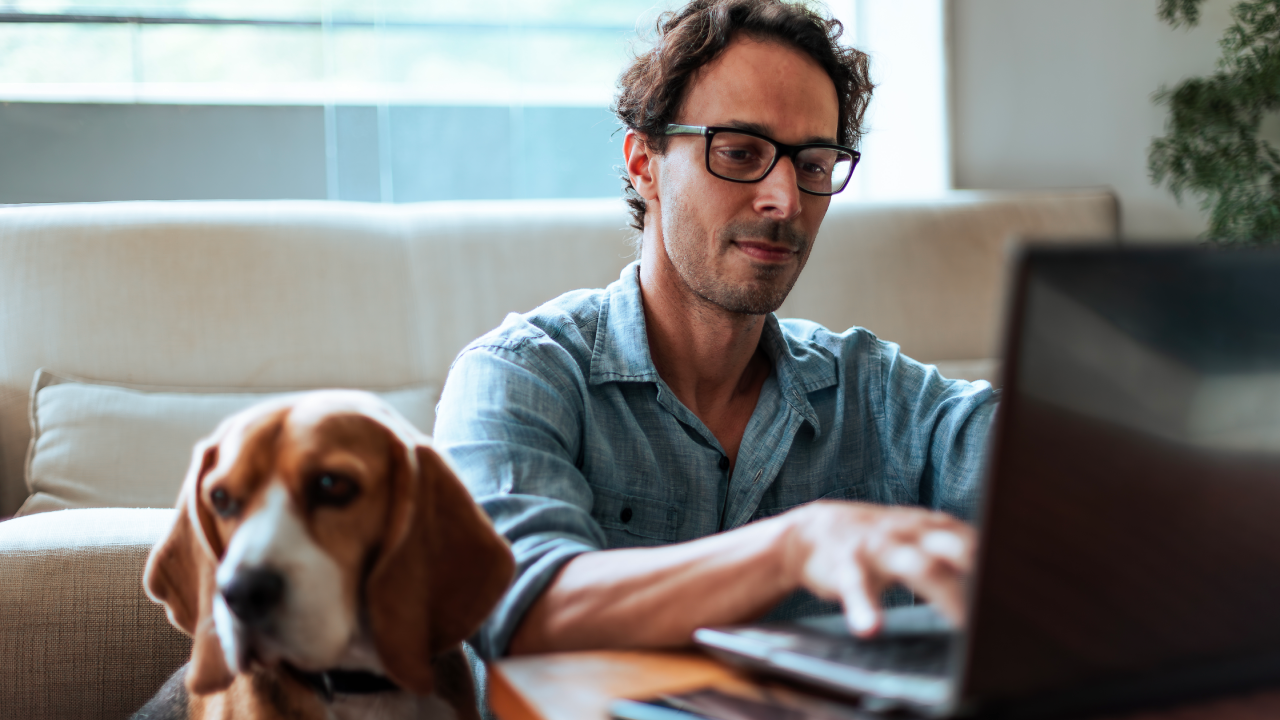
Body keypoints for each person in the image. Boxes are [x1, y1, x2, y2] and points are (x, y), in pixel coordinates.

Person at [434, 0, 997, 664]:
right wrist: (797, 547)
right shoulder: (522, 376)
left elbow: (1051, 463)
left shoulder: (870, 392)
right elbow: (519, 607)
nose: (785, 200)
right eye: (739, 152)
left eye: (814, 165)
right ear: (645, 164)